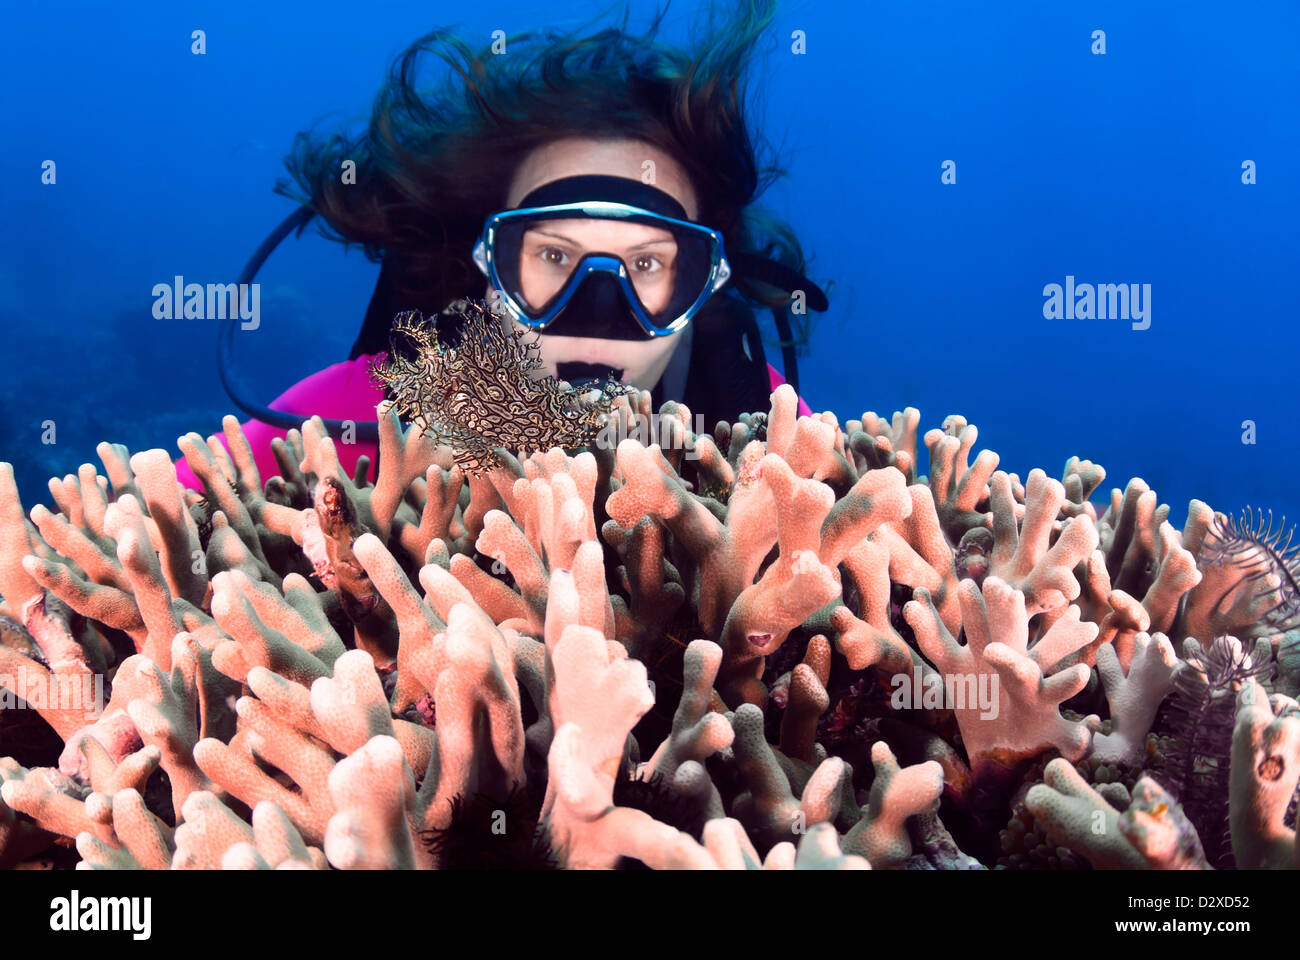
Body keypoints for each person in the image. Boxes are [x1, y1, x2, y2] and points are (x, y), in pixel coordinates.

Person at [177, 2, 825, 491]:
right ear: (486, 267)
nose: (599, 315)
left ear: (702, 283)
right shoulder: (347, 423)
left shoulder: (772, 428)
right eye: (553, 257)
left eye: (647, 264)